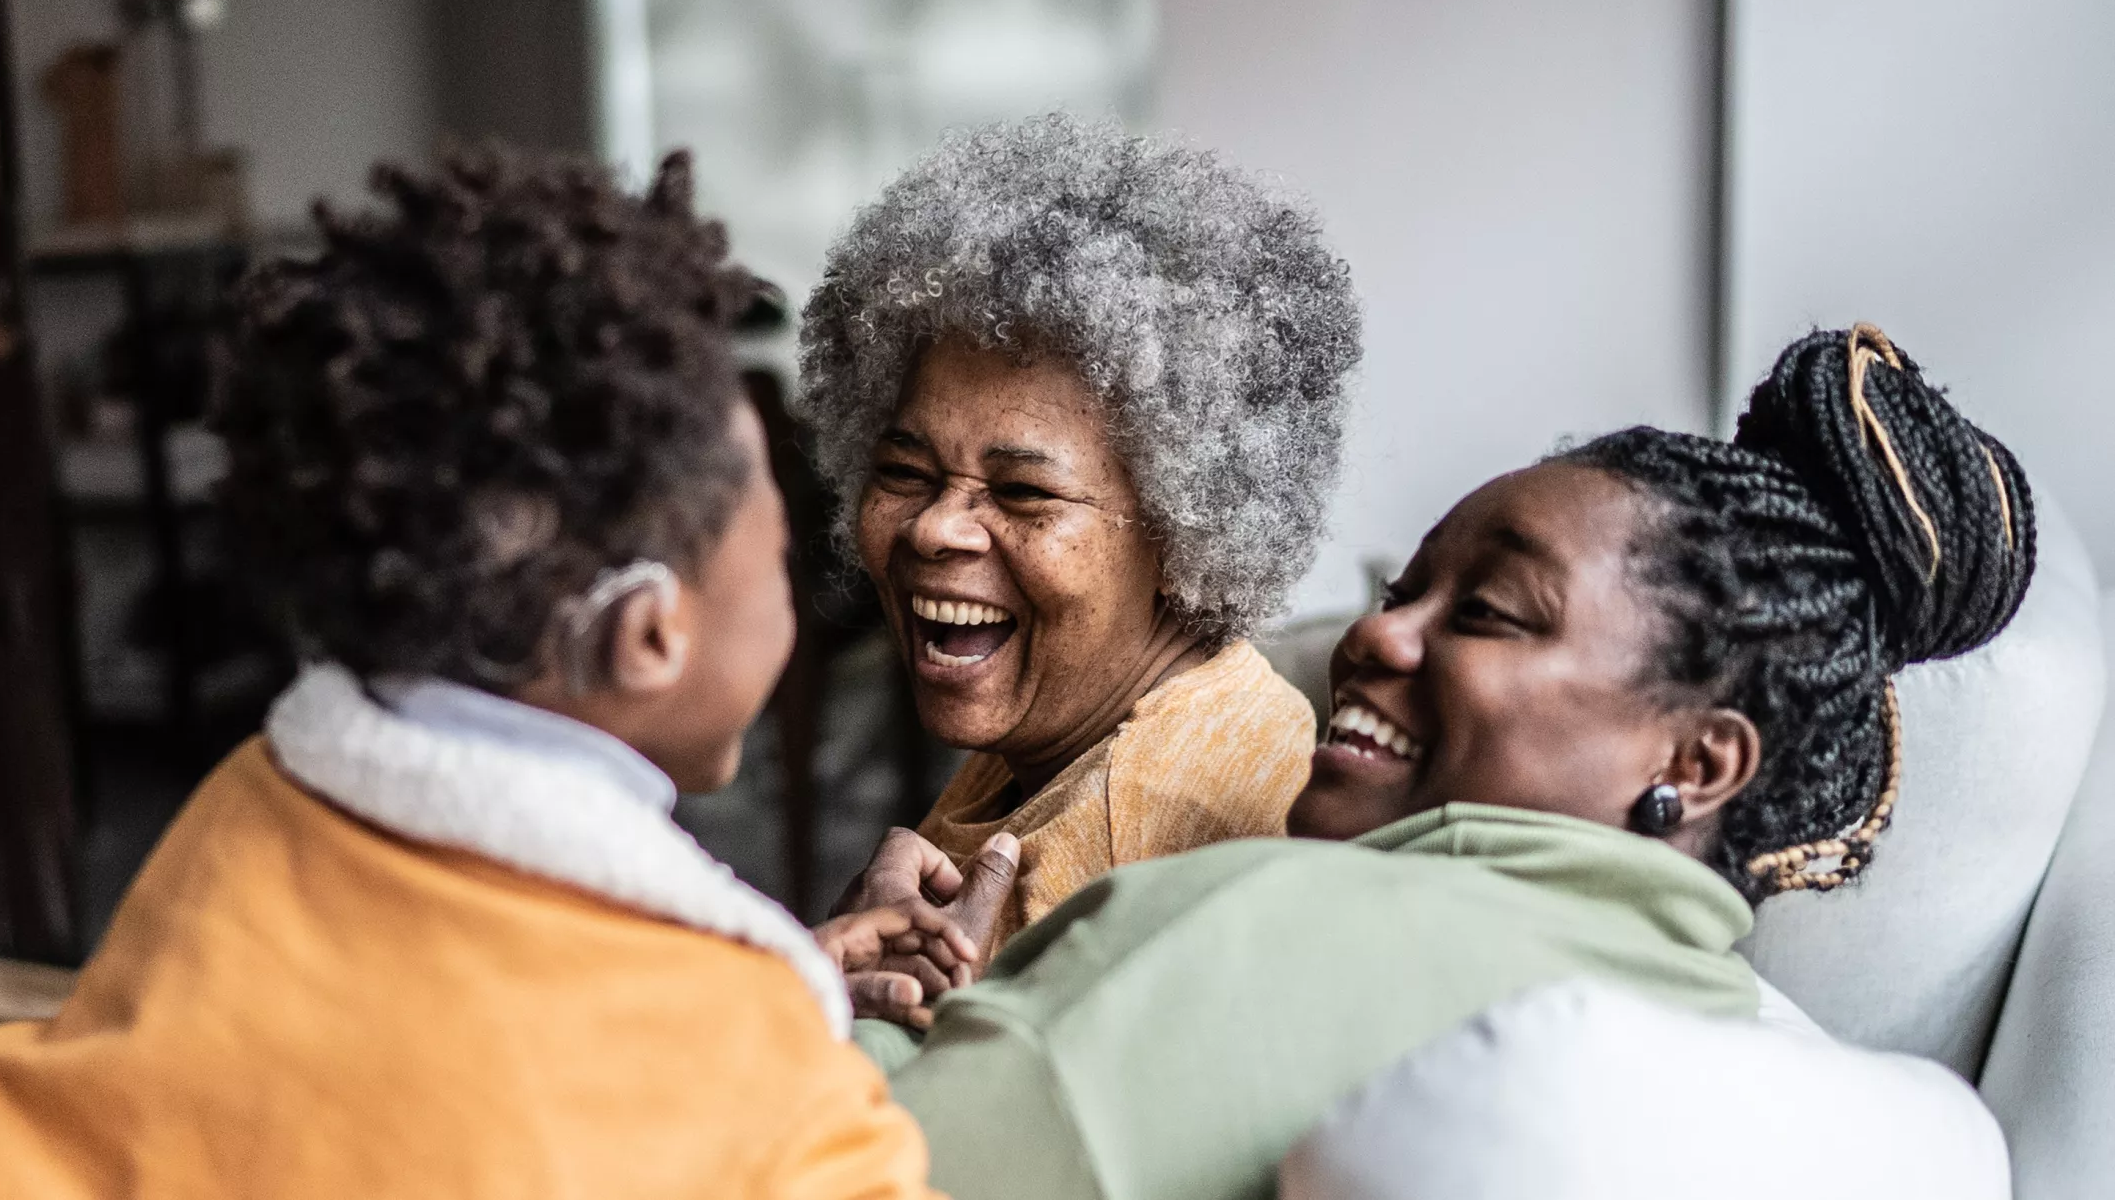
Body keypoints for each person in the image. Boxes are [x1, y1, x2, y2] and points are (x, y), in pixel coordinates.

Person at [0, 148, 969, 1200]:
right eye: (776, 544)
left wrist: (768, 982)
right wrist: (782, 1020)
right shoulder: (765, 1092)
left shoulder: (249, 806)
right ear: (649, 635)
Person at [858, 326, 2036, 1200]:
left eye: (1490, 613)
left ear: (1701, 758)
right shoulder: (1731, 1036)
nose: (1375, 636)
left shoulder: (1283, 923)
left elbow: (818, 1171)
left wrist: (853, 1006)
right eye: (1401, 589)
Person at [798, 113, 1363, 981]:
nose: (933, 527)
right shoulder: (1100, 718)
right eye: (905, 470)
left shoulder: (1129, 836)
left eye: (1023, 492)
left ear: (1186, 529)